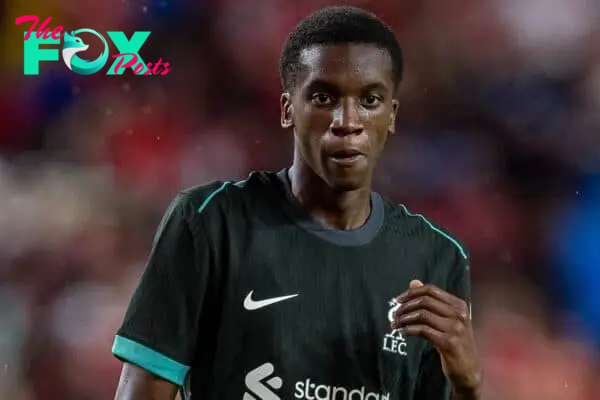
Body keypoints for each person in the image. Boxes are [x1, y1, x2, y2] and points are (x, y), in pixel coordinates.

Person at [112, 6, 482, 400]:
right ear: (289, 109)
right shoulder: (211, 223)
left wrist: (467, 384)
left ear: (391, 115)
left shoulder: (436, 256)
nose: (347, 120)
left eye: (370, 100)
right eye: (324, 97)